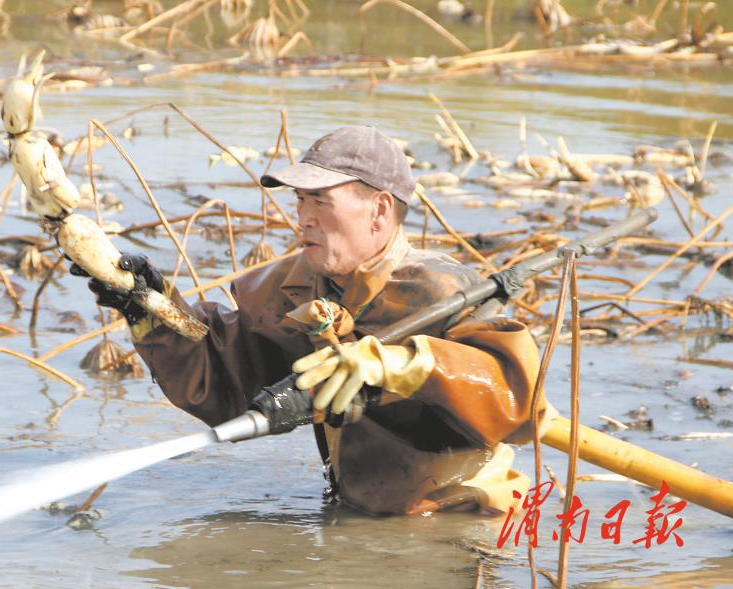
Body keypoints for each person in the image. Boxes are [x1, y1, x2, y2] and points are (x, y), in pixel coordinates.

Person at [75, 125, 547, 516]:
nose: (302, 219)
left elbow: (515, 399)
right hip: (356, 513)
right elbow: (226, 380)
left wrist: (395, 365)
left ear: (380, 210)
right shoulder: (292, 287)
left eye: (321, 203)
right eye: (300, 201)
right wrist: (150, 310)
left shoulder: (443, 290)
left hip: (467, 518)